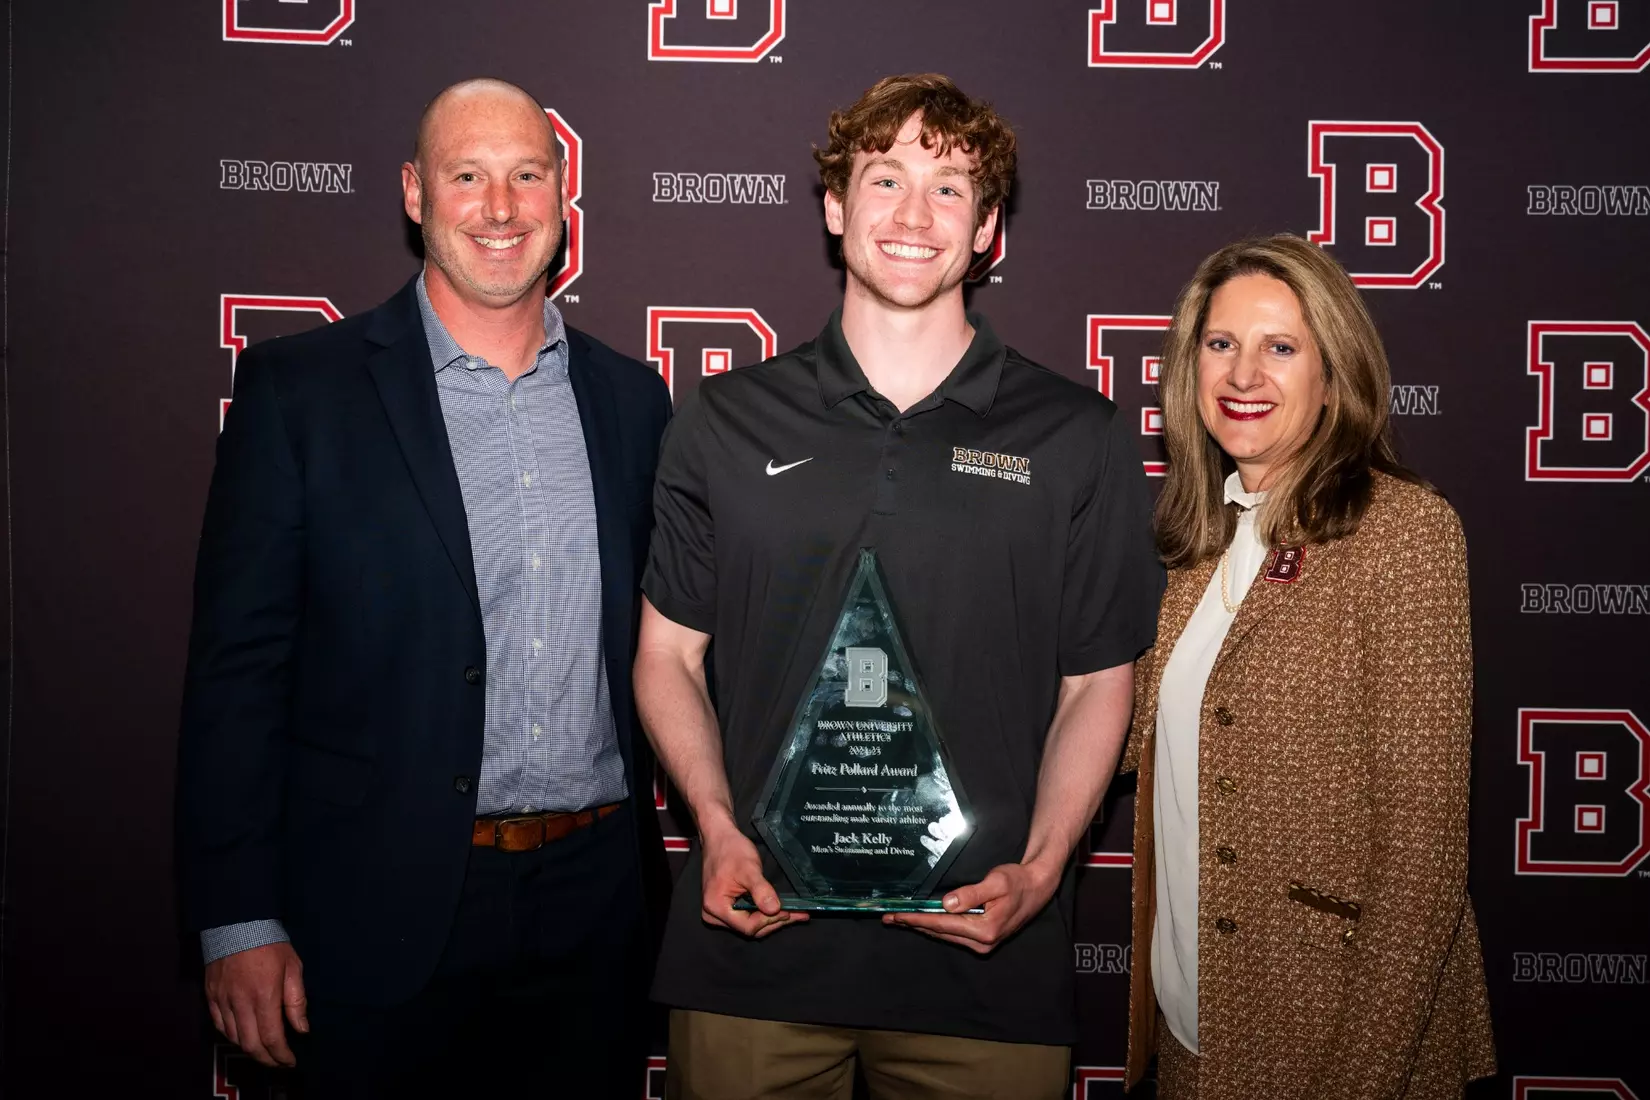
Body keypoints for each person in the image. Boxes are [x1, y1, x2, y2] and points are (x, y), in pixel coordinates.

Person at [635, 73, 1162, 1100]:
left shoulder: (1075, 435)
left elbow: (1099, 682)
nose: (915, 216)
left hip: (985, 963)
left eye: (952, 188)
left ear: (989, 228)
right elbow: (667, 654)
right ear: (835, 208)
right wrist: (718, 824)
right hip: (754, 951)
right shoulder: (723, 420)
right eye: (886, 180)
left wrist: (1045, 869)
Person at [176, 78, 671, 1098]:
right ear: (414, 192)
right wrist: (237, 915)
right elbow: (238, 674)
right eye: (467, 176)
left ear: (563, 193)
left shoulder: (633, 402)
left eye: (527, 175)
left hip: (594, 915)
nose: (500, 208)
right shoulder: (300, 393)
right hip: (373, 912)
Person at [1119, 235, 1496, 1099]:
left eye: (1280, 348)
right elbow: (1125, 739)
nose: (1243, 374)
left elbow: (1424, 856)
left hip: (1336, 1036)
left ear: (1335, 371)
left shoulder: (1403, 534)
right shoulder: (1196, 544)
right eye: (1221, 345)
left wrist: (1360, 1078)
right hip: (1193, 1030)